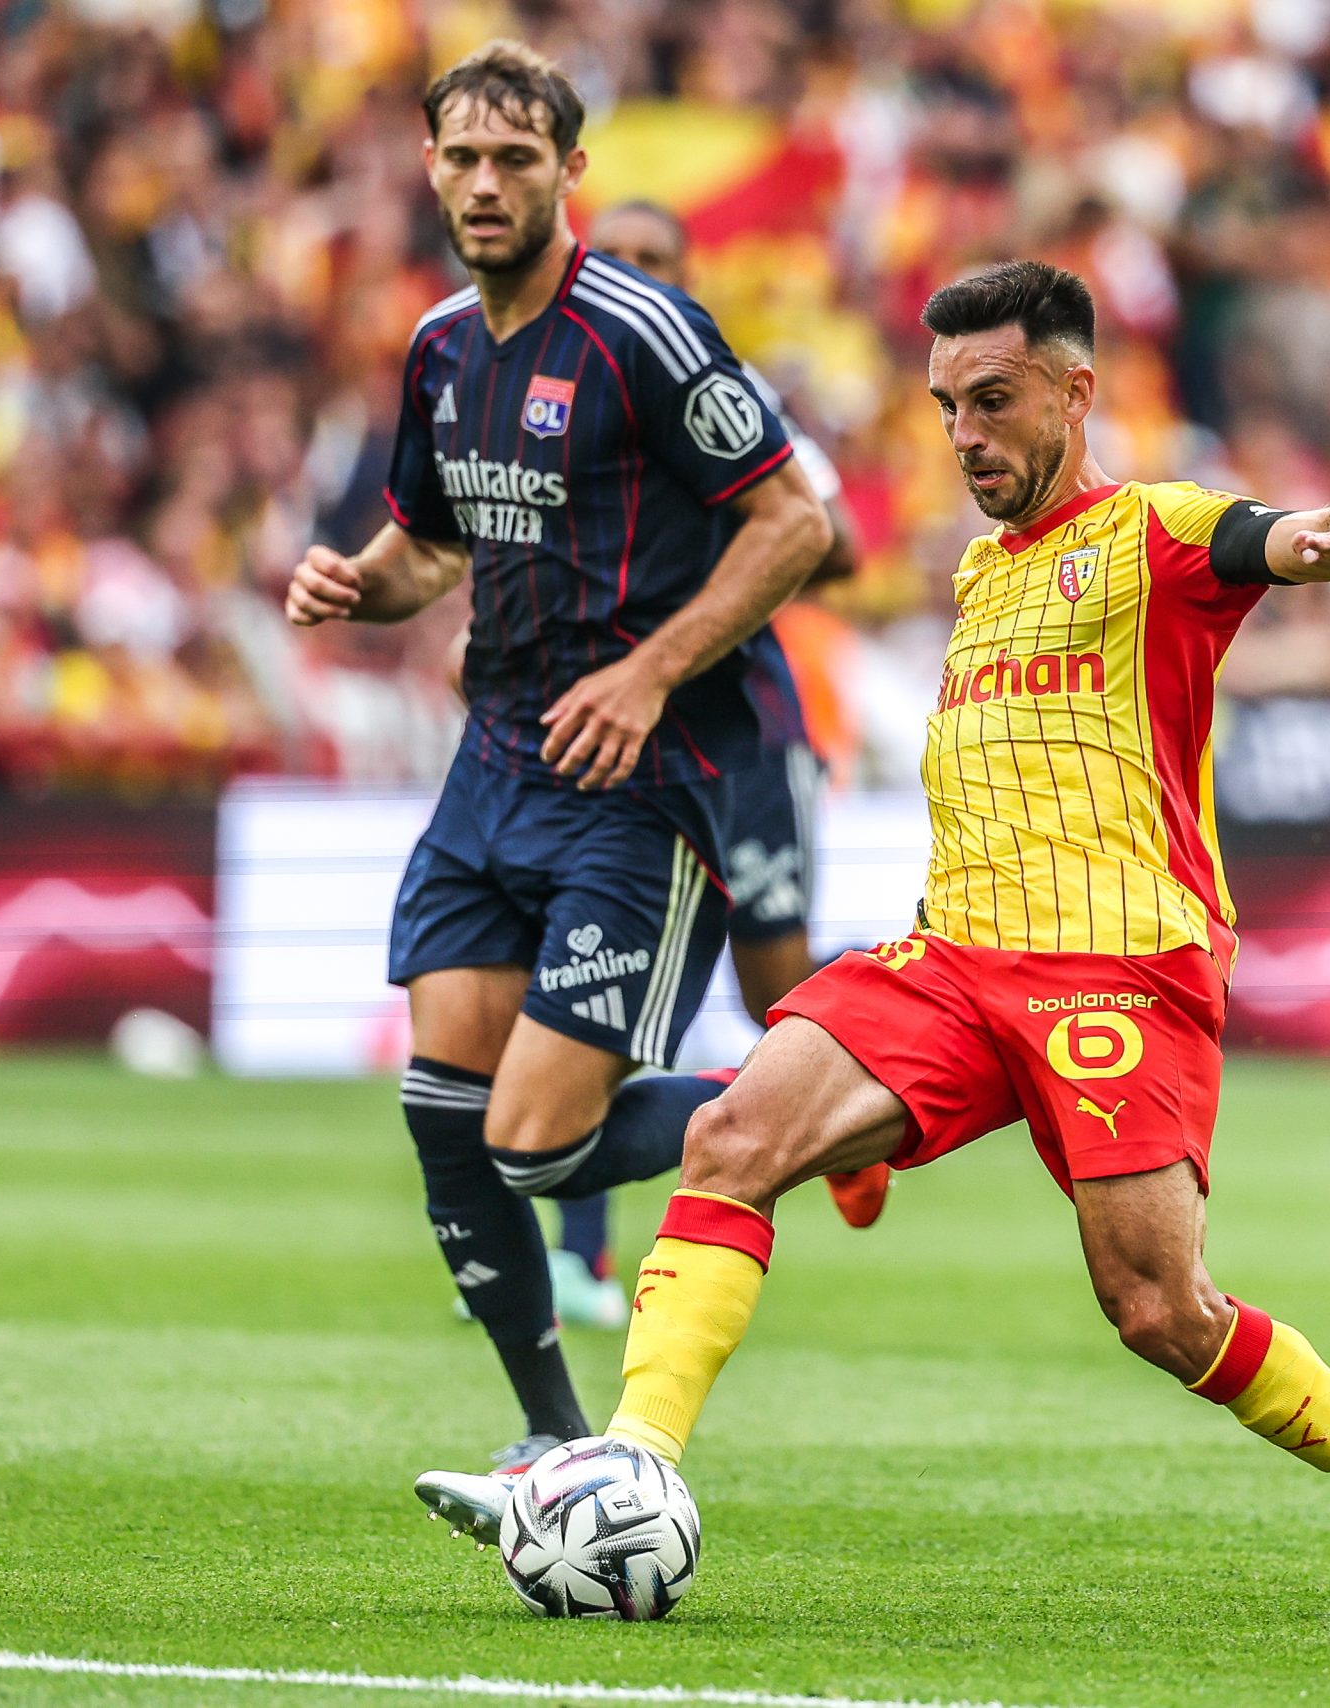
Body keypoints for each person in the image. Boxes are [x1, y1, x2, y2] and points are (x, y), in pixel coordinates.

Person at [416, 259, 1330, 1625]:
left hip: (1118, 973)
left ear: (1076, 392)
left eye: (994, 400)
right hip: (955, 962)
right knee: (730, 1140)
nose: (964, 435)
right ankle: (630, 1462)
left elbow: (1276, 535)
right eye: (945, 407)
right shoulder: (983, 574)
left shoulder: (1154, 533)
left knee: (1159, 1309)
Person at [283, 42, 832, 1479]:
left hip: (644, 788)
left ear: (568, 173)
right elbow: (428, 548)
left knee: (533, 1145)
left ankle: (826, 1101)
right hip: (494, 769)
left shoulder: (642, 330)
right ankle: (551, 1437)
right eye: (462, 158)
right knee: (444, 1115)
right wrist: (358, 582)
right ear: (428, 167)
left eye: (515, 160)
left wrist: (649, 673)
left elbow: (795, 523)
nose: (485, 184)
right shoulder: (439, 347)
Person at [509, 199, 885, 1323]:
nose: (635, 276)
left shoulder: (728, 393)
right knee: (596, 992)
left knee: (777, 991)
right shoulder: (551, 402)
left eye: (657, 260)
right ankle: (580, 1261)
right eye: (616, 258)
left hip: (743, 738)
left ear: (690, 278)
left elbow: (837, 540)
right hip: (613, 739)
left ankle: (869, 1078)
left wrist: (714, 531)